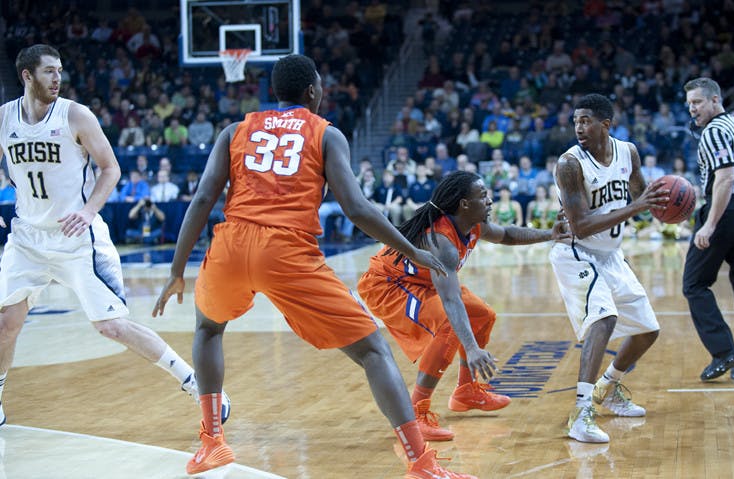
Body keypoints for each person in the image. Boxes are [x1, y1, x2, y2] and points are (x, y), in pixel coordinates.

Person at [151, 54, 476, 479]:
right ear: (311, 91)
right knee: (373, 351)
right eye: (320, 86)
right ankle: (421, 463)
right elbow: (357, 209)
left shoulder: (235, 130)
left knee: (209, 329)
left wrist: (177, 270)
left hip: (231, 243)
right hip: (285, 251)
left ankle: (212, 442)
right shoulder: (325, 133)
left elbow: (202, 199)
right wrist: (411, 250)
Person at [0, 44, 229, 428]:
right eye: (49, 71)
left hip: (76, 239)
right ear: (27, 76)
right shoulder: (5, 118)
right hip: (28, 238)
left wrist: (89, 211)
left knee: (111, 326)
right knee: (6, 322)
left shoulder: (76, 115)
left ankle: (197, 384)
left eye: (60, 70)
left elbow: (111, 169)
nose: (58, 78)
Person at [358, 171, 567, 441]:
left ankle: (466, 391)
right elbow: (450, 300)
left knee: (483, 315)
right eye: (483, 196)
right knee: (449, 324)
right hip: (387, 284)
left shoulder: (473, 223)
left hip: (419, 281)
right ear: (464, 204)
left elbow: (508, 235)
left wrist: (550, 234)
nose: (490, 201)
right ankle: (416, 412)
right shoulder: (441, 241)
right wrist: (472, 348)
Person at [549, 93, 669, 443]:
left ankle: (608, 388)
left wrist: (670, 205)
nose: (579, 127)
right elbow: (582, 226)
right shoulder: (570, 164)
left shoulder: (628, 152)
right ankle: (581, 414)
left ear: (605, 124)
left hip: (611, 254)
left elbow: (641, 193)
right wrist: (638, 207)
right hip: (576, 252)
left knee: (648, 330)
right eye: (575, 121)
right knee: (604, 319)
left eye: (585, 120)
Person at [682, 78, 734, 382]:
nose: (692, 109)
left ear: (715, 99)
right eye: (689, 104)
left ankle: (723, 351)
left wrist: (710, 224)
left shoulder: (714, 132)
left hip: (727, 211)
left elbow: (726, 178)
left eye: (697, 102)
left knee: (694, 284)